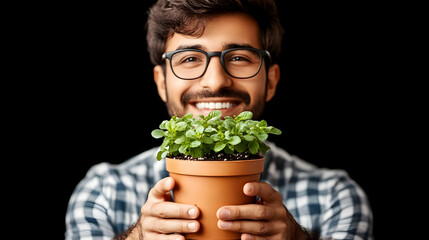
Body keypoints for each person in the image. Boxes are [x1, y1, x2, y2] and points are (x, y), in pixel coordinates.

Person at [65, 0, 374, 239]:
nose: (215, 81)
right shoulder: (104, 192)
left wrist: (299, 237)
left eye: (239, 57)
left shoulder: (334, 195)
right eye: (189, 59)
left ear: (271, 80)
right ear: (161, 82)